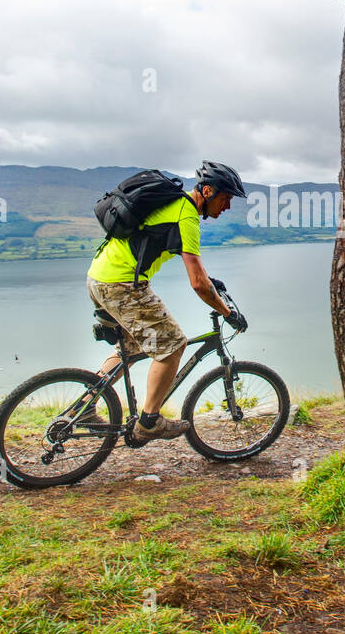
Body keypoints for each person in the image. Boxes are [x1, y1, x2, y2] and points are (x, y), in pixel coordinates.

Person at [86, 161, 247, 444]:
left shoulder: (173, 205)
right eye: (226, 198)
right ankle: (149, 422)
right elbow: (197, 283)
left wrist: (213, 284)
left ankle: (85, 406)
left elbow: (199, 273)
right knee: (173, 345)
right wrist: (228, 312)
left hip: (99, 278)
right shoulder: (186, 214)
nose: (228, 206)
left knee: (132, 346)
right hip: (122, 285)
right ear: (207, 191)